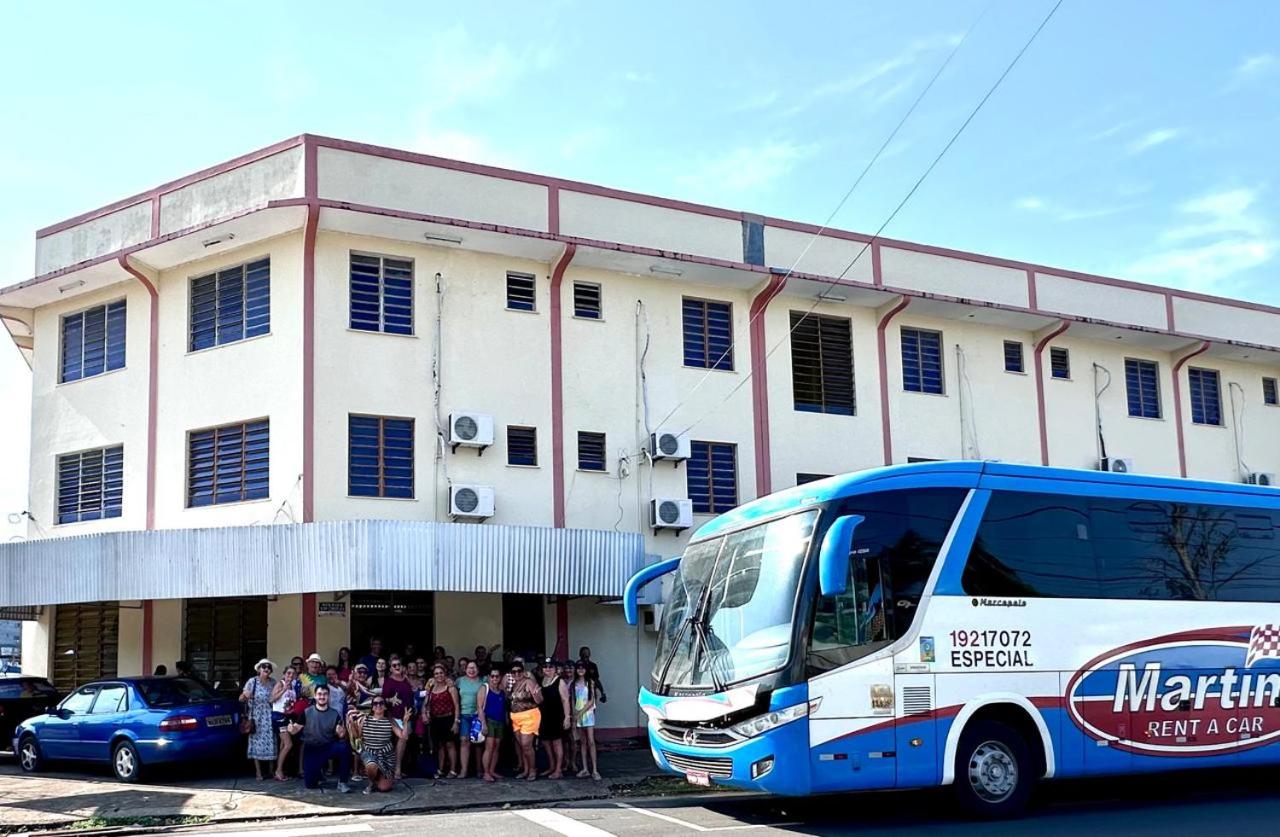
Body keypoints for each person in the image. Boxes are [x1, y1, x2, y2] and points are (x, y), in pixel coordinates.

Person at [289, 684, 351, 792]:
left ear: (328, 696)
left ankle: (343, 782)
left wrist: (341, 733)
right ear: (315, 696)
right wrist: (291, 729)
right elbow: (295, 729)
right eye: (319, 694)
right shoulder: (307, 712)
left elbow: (341, 735)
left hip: (328, 747)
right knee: (310, 785)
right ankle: (318, 773)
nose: (322, 696)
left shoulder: (335, 714)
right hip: (311, 749)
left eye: (325, 694)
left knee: (344, 748)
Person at [351, 697, 410, 794]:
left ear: (385, 707)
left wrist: (405, 722)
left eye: (381, 703)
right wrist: (352, 723)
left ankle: (380, 778)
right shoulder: (365, 719)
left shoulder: (390, 721)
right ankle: (371, 783)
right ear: (372, 707)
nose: (378, 705)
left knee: (384, 788)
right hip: (370, 752)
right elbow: (357, 736)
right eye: (375, 703)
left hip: (386, 756)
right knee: (371, 765)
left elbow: (404, 737)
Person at [241, 659, 277, 780]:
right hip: (256, 716)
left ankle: (271, 771)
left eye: (269, 667)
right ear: (259, 669)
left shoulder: (273, 682)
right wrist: (245, 695)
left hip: (269, 715)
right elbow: (241, 698)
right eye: (264, 666)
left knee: (271, 741)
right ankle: (258, 772)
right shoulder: (252, 681)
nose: (266, 669)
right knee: (256, 743)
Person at [382, 656, 415, 779]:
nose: (397, 667)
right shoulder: (388, 682)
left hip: (407, 715)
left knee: (404, 739)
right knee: (402, 738)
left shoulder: (406, 680)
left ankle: (398, 767)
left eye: (399, 664)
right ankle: (397, 768)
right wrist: (390, 699)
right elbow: (383, 699)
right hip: (393, 716)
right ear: (390, 668)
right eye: (394, 665)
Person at [508, 660, 542, 780]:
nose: (517, 674)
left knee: (526, 745)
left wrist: (536, 694)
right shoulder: (514, 685)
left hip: (529, 716)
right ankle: (526, 770)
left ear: (523, 672)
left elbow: (540, 700)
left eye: (519, 671)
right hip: (516, 718)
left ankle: (532, 770)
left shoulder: (529, 682)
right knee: (522, 746)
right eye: (514, 672)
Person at [538, 658, 570, 779]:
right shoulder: (542, 680)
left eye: (550, 667)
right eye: (545, 667)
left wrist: (567, 717)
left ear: (555, 669)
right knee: (546, 742)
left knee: (557, 743)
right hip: (544, 716)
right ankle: (552, 766)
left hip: (556, 716)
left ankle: (558, 769)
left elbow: (565, 700)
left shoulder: (560, 681)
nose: (548, 669)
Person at [426, 663, 461, 778]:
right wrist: (426, 713)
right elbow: (428, 703)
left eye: (441, 673)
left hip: (449, 718)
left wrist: (456, 721)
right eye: (436, 673)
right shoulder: (432, 687)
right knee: (440, 745)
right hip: (436, 720)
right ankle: (440, 769)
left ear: (445, 674)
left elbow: (456, 705)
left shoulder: (450, 687)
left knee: (450, 744)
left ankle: (453, 770)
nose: (439, 675)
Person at [271, 666, 302, 781]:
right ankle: (278, 771)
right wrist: (283, 689)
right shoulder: (280, 683)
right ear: (284, 674)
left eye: (293, 674)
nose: (290, 675)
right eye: (288, 673)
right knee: (288, 744)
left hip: (287, 717)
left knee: (283, 745)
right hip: (279, 717)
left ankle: (279, 770)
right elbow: (271, 699)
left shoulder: (293, 687)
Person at [572, 661, 601, 780]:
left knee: (591, 741)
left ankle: (594, 770)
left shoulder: (590, 682)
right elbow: (573, 700)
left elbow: (591, 700)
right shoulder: (574, 683)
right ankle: (585, 769)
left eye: (583, 668)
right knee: (582, 742)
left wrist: (580, 713)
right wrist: (574, 714)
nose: (580, 670)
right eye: (578, 668)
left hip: (587, 714)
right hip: (577, 714)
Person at [476, 669, 506, 782]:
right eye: (492, 676)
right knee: (489, 747)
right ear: (489, 677)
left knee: (496, 747)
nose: (494, 678)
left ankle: (492, 770)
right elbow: (479, 707)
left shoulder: (501, 690)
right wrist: (483, 724)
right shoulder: (484, 688)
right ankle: (486, 772)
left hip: (500, 721)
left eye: (497, 676)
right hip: (489, 720)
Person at [456, 660, 484, 778]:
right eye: (469, 668)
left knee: (478, 743)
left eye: (474, 668)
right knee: (464, 741)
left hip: (478, 715)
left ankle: (479, 769)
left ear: (478, 669)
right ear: (465, 669)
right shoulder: (459, 681)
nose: (471, 670)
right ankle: (464, 770)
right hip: (464, 715)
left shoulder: (483, 681)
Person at [558, 660, 578, 774]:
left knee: (574, 739)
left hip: (575, 712)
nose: (568, 670)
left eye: (571, 668)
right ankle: (565, 762)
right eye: (566, 668)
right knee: (564, 740)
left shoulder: (578, 681)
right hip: (563, 712)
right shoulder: (561, 681)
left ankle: (573, 762)